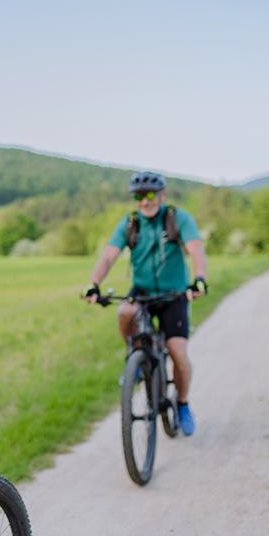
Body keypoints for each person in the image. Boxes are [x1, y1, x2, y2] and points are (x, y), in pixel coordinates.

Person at [83, 171, 208, 436]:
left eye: (150, 195)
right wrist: (94, 283)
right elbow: (108, 257)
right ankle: (136, 360)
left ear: (162, 195)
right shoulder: (130, 223)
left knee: (178, 354)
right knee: (125, 311)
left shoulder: (177, 218)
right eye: (139, 196)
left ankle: (183, 404)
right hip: (142, 291)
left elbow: (196, 249)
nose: (145, 201)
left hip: (173, 294)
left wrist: (199, 279)